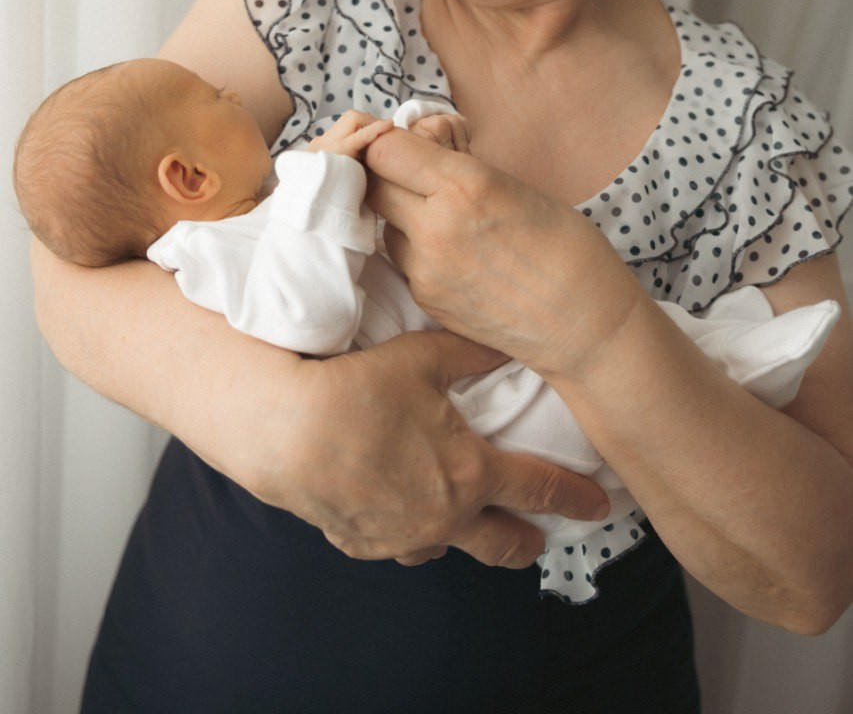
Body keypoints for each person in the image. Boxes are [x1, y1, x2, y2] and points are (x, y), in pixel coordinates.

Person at [30, 0, 853, 713]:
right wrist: (287, 422)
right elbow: (72, 254)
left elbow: (813, 572)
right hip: (194, 655)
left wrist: (595, 320)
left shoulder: (750, 136)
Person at [17, 57, 840, 573]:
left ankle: (723, 349)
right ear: (187, 178)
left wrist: (409, 137)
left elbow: (361, 203)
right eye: (213, 98)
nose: (233, 93)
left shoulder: (274, 198)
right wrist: (323, 178)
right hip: (467, 415)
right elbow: (307, 319)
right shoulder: (208, 253)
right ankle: (735, 368)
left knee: (642, 351)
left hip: (485, 364)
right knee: (564, 418)